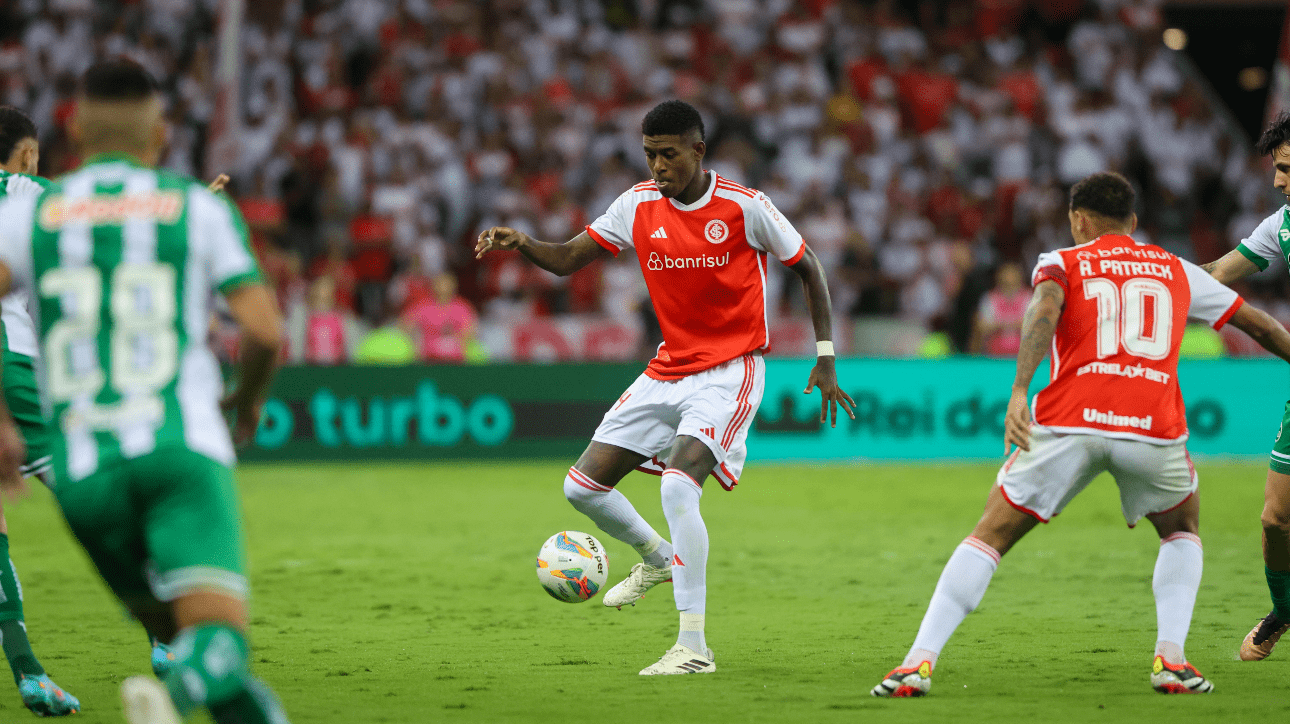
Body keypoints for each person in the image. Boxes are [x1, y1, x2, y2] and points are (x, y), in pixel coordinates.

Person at [871, 171, 1290, 697]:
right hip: (1151, 426)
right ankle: (1172, 661)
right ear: (1133, 223)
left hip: (1070, 420)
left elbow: (1043, 311)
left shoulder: (1060, 261)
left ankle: (916, 663)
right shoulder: (1177, 268)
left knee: (990, 535)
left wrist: (1020, 389)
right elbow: (1260, 326)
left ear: (1078, 220)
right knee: (1181, 529)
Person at [476, 100, 855, 675]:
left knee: (678, 487)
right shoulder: (636, 205)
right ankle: (654, 557)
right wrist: (522, 242)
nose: (658, 166)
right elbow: (567, 261)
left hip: (731, 370)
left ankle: (694, 647)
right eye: (650, 154)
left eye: (669, 154)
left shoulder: (745, 207)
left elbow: (810, 267)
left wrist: (825, 358)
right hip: (669, 368)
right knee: (581, 488)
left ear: (698, 151)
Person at [0, 60, 290, 724]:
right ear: (159, 136)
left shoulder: (45, 214)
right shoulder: (193, 208)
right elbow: (266, 334)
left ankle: (163, 681)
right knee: (216, 639)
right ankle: (170, 698)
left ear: (73, 132)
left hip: (83, 468)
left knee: (183, 633)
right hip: (179, 445)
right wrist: (245, 403)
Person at [1195, 111, 1290, 660]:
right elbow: (1217, 274)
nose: (1277, 181)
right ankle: (1284, 610)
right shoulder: (1280, 225)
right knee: (1276, 517)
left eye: (1285, 168)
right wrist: (1154, 276)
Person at [0, 105, 80, 716]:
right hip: (12, 369)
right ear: (27, 153)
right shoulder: (32, 191)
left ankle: (28, 672)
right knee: (86, 490)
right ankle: (166, 640)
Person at [401, 272, 476, 362]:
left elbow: (469, 331)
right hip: (428, 358)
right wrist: (415, 342)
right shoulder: (422, 306)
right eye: (440, 284)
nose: (443, 287)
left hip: (455, 359)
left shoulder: (463, 307)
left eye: (446, 284)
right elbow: (405, 325)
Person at [971, 261, 1031, 356]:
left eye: (1012, 274)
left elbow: (1034, 326)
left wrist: (1000, 324)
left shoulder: (1029, 297)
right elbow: (982, 327)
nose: (1009, 278)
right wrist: (1014, 323)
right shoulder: (989, 298)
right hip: (993, 356)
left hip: (1023, 357)